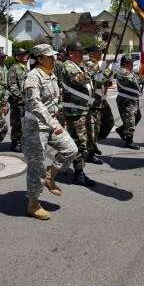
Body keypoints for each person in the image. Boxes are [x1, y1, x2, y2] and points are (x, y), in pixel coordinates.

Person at [21, 44, 77, 220]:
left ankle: (50, 176)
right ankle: (33, 204)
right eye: (50, 56)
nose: (54, 59)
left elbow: (53, 100)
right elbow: (34, 104)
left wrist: (59, 115)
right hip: (35, 126)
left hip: (52, 123)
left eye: (54, 56)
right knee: (36, 166)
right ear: (39, 59)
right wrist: (53, 123)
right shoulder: (33, 76)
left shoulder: (51, 75)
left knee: (71, 149)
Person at [61, 41, 97, 187]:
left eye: (83, 51)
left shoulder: (79, 65)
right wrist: (94, 69)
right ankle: (78, 174)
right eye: (79, 52)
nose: (82, 55)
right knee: (79, 143)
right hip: (74, 112)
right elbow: (79, 80)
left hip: (84, 110)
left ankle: (62, 160)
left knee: (87, 140)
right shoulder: (68, 66)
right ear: (70, 53)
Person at [86, 45, 114, 162]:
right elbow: (98, 79)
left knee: (109, 122)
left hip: (102, 100)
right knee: (95, 128)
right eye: (97, 52)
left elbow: (107, 82)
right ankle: (91, 152)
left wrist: (112, 72)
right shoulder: (90, 64)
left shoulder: (101, 64)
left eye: (101, 52)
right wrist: (107, 70)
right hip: (94, 102)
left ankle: (93, 143)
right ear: (91, 53)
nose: (100, 54)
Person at [116, 54, 141, 150]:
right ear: (125, 63)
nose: (133, 64)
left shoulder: (129, 71)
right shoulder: (122, 72)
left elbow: (138, 79)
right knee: (130, 121)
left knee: (137, 117)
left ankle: (122, 130)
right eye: (131, 62)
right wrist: (142, 76)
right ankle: (129, 141)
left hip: (133, 100)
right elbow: (136, 80)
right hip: (126, 101)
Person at [7, 48, 29, 152]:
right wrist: (21, 97)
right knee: (17, 122)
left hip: (26, 101)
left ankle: (22, 140)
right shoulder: (14, 68)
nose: (25, 56)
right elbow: (12, 86)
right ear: (17, 57)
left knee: (24, 122)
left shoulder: (25, 69)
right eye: (22, 55)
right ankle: (15, 142)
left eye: (25, 54)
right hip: (18, 101)